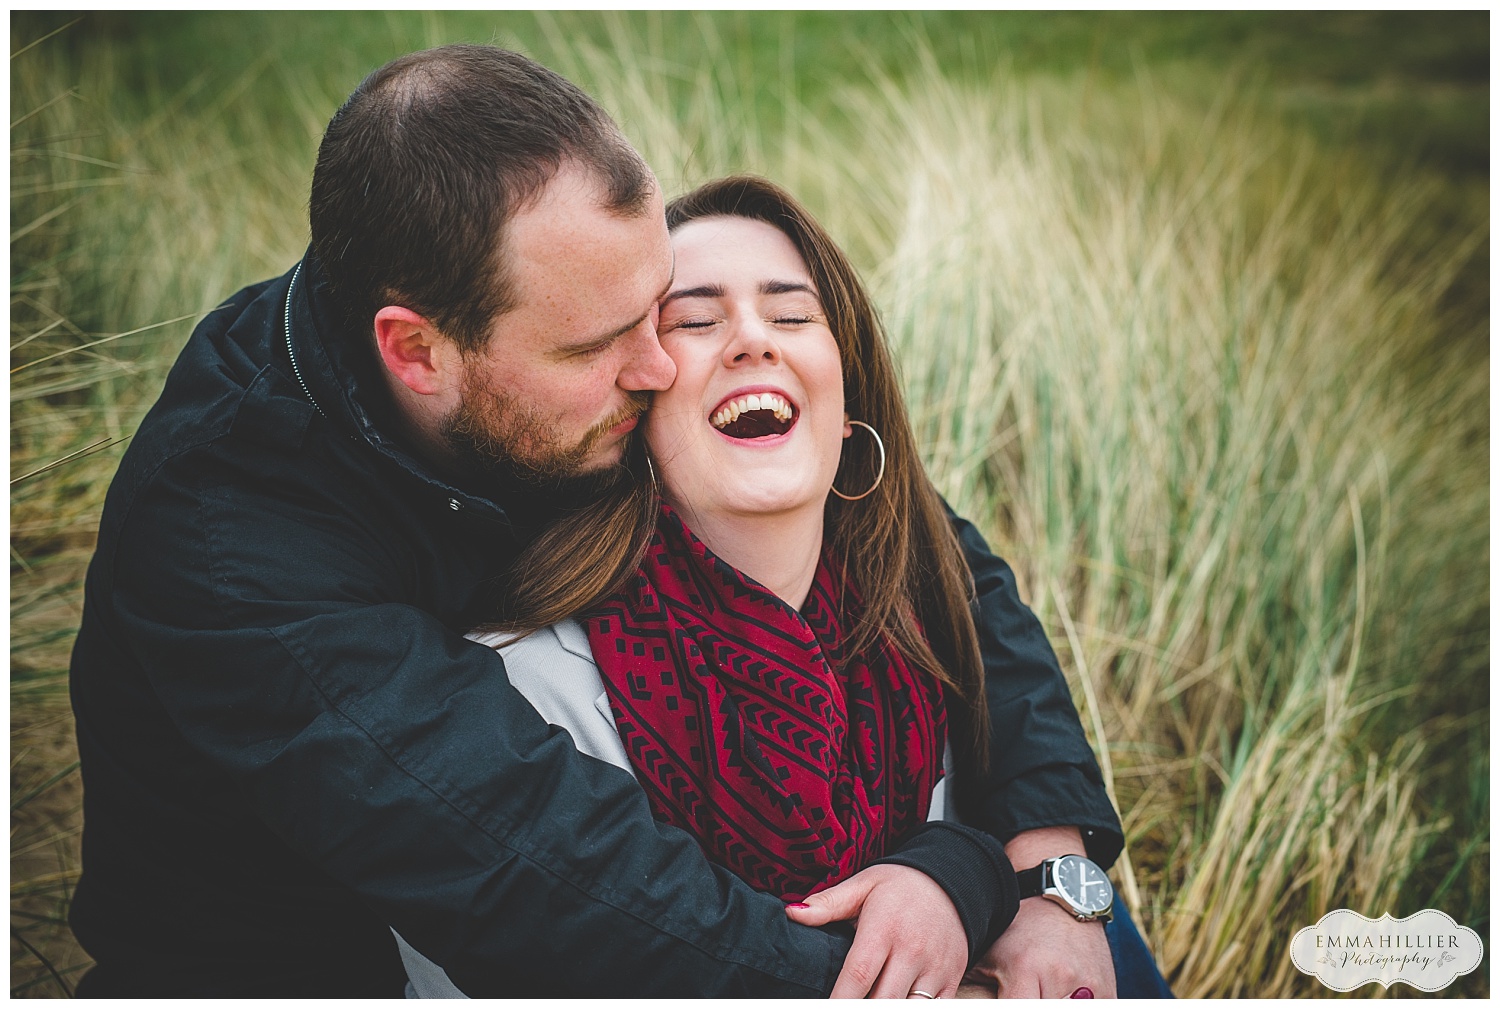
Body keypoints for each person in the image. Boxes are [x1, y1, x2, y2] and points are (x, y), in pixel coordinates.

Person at [66, 45, 1125, 996]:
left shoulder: (547, 341)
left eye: (658, 306)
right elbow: (541, 870)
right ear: (418, 352)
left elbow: (935, 561)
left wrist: (1041, 870)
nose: (661, 366)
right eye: (602, 344)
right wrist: (930, 944)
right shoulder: (232, 545)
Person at [396, 176, 1169, 999]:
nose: (752, 339)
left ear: (846, 404)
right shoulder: (520, 694)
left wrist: (969, 877)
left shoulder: (921, 637)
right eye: (694, 320)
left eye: (793, 314)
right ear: (634, 408)